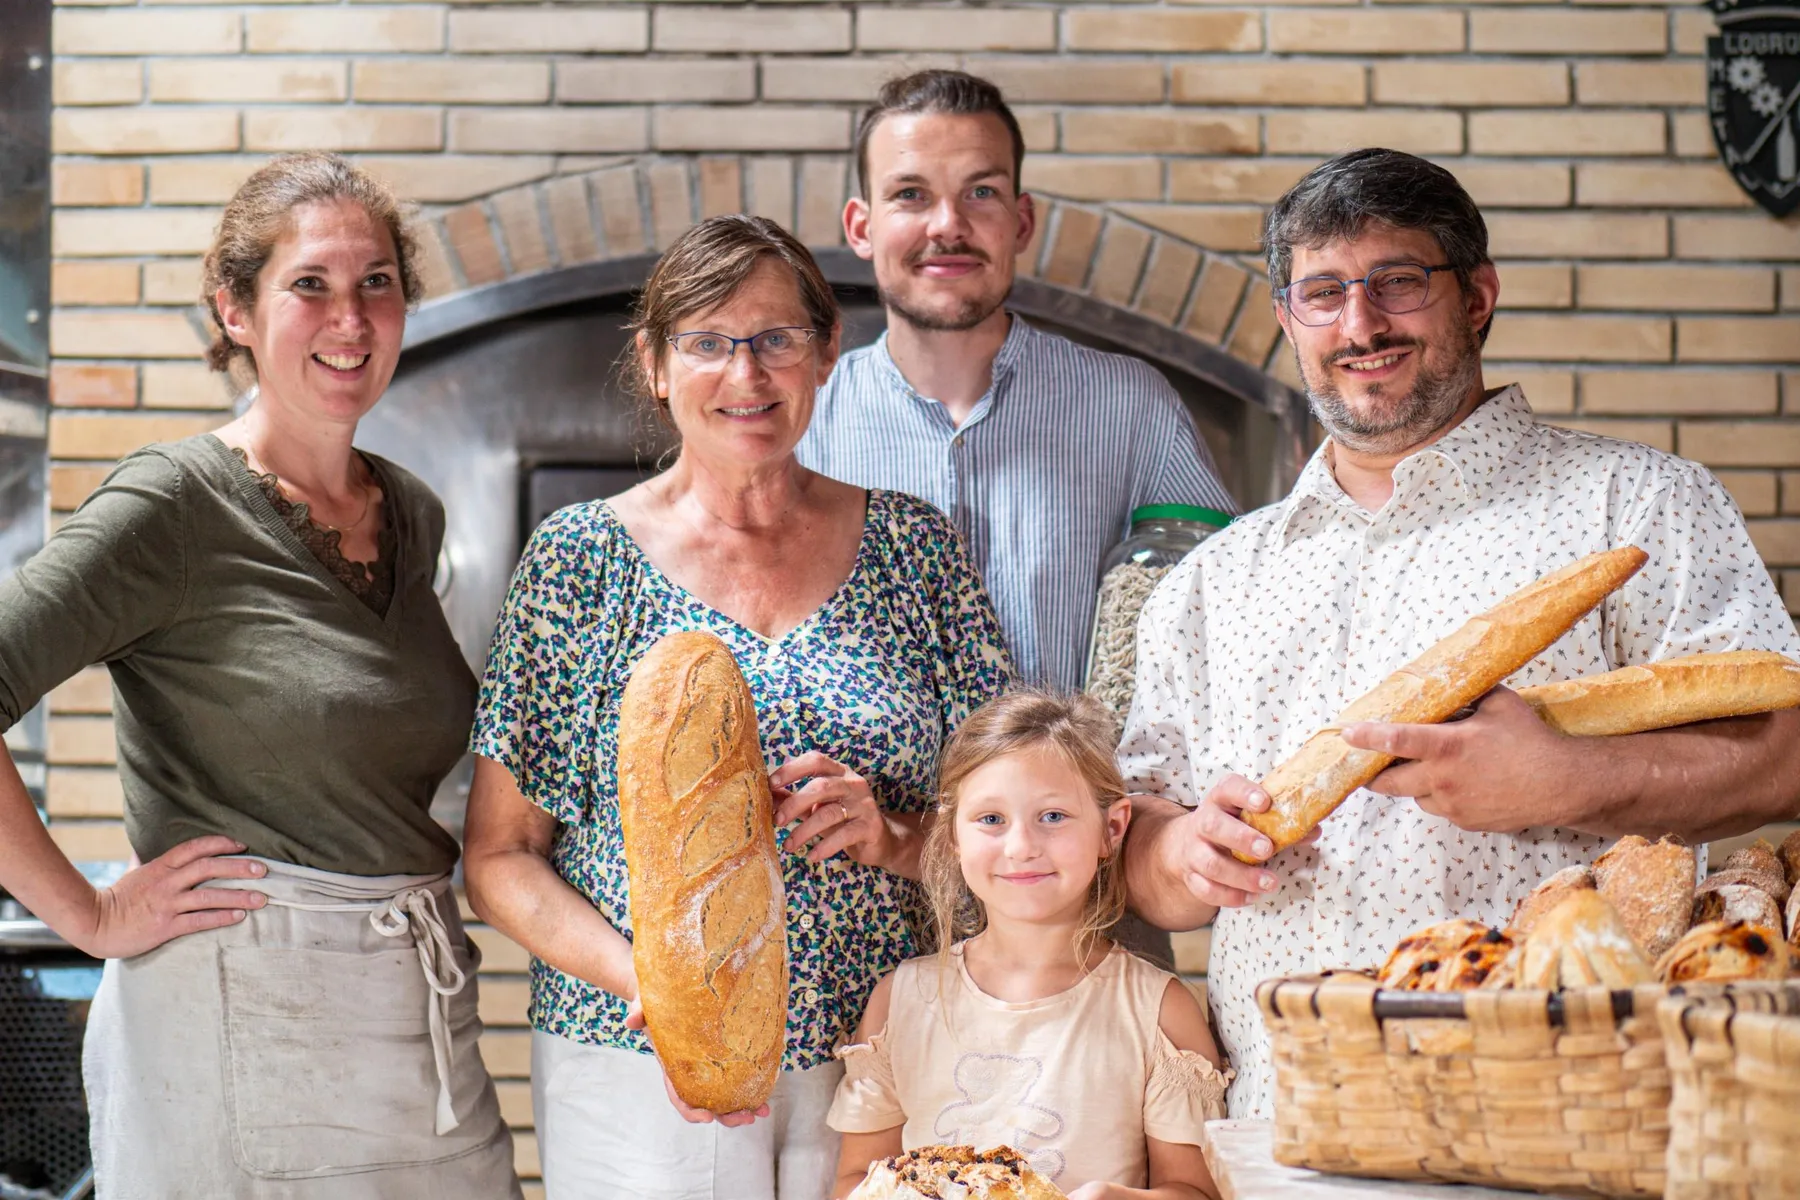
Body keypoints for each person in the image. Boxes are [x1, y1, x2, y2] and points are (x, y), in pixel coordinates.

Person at [1117, 148, 1800, 1117]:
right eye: (1323, 293)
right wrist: (1185, 852)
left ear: (1477, 294)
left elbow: (1786, 752)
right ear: (1287, 321)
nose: (1360, 324)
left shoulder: (1638, 507)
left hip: (1565, 1116)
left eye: (1397, 282)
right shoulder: (1212, 580)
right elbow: (1138, 834)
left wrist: (1571, 782)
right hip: (1289, 1123)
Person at [462, 213, 1013, 1200]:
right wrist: (655, 986)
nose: (747, 377)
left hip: (880, 1049)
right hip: (642, 1067)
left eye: (776, 340)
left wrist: (893, 835)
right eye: (710, 343)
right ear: (657, 364)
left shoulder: (911, 546)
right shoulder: (580, 559)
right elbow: (501, 857)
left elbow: (1005, 813)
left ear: (827, 351)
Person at [0, 153, 519, 1197]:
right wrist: (86, 916)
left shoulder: (407, 510)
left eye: (378, 282)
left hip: (412, 1006)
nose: (352, 318)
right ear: (236, 311)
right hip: (236, 1015)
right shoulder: (173, 505)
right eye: (310, 286)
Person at [798, 69, 1236, 695]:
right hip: (865, 796)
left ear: (1022, 221)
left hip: (1087, 792)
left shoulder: (1133, 407)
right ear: (862, 227)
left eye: (981, 192)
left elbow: (1224, 623)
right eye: (911, 195)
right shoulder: (803, 420)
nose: (947, 225)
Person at [829, 690, 1227, 1200]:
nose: (1021, 847)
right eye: (991, 819)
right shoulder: (898, 1002)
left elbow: (1196, 1191)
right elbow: (854, 1181)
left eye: (1053, 816)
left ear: (1112, 828)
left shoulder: (1159, 1011)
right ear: (951, 834)